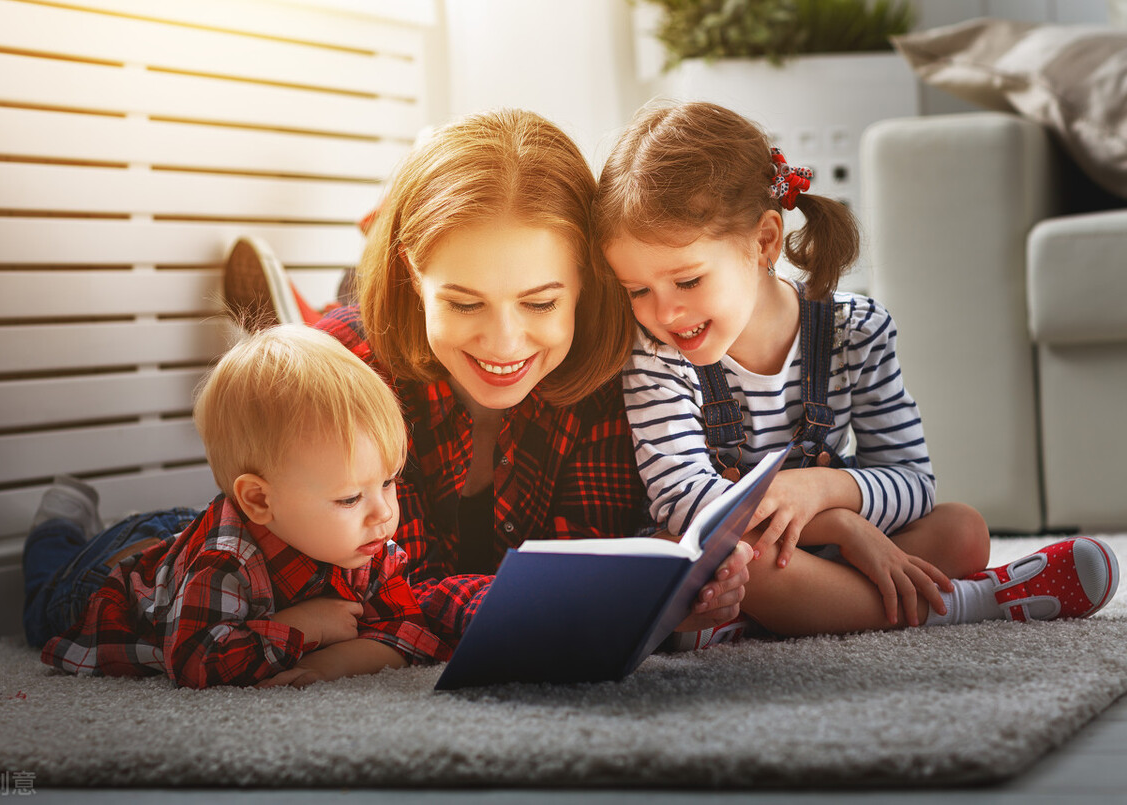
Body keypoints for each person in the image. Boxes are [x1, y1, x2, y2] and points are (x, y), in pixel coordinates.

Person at [222, 108, 752, 650]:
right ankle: (300, 319)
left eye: (541, 302)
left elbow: (586, 559)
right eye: (465, 303)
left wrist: (655, 596)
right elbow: (389, 597)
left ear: (586, 284)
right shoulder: (353, 374)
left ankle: (304, 307)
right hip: (194, 560)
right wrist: (587, 603)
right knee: (145, 551)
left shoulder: (611, 372)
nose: (503, 343)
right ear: (413, 272)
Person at [591, 100, 1119, 640]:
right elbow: (684, 503)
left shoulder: (856, 330)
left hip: (808, 553)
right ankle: (979, 601)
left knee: (962, 530)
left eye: (686, 281)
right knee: (707, 557)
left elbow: (913, 482)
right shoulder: (656, 355)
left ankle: (778, 615)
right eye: (637, 290)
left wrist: (823, 489)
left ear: (764, 241)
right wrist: (839, 525)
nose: (665, 313)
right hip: (742, 555)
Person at [21, 324, 447, 689]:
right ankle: (57, 526)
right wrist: (302, 627)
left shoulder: (366, 544)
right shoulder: (225, 563)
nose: (384, 513)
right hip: (109, 579)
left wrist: (328, 663)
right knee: (42, 609)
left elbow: (411, 632)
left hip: (195, 531)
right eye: (351, 497)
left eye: (389, 482)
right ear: (260, 499)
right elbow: (196, 663)